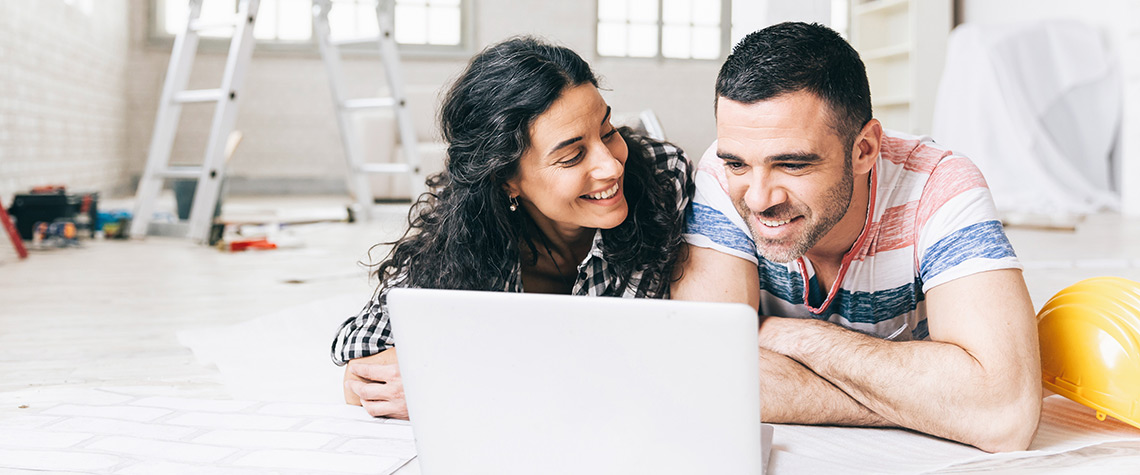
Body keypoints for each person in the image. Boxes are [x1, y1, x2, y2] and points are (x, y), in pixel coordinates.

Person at [672, 22, 1042, 453]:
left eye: (792, 165)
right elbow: (699, 371)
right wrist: (931, 405)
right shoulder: (719, 178)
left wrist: (790, 336)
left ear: (864, 149)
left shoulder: (939, 187)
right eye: (738, 163)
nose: (758, 198)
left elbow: (1003, 411)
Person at [331, 36, 693, 419]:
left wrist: (457, 381)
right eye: (572, 156)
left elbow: (644, 358)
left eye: (607, 131)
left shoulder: (659, 177)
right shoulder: (468, 229)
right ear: (506, 179)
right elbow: (364, 362)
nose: (611, 166)